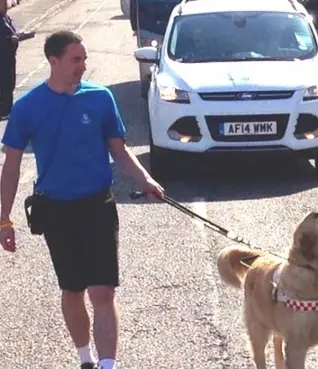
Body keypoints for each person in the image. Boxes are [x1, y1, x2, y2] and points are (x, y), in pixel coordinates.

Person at [0, 30, 164, 369]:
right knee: (72, 289)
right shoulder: (27, 107)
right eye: (75, 60)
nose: (82, 66)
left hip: (97, 206)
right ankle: (85, 358)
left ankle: (107, 365)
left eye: (85, 59)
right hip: (56, 210)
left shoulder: (100, 98)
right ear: (53, 61)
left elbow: (119, 151)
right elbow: (12, 167)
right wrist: (4, 219)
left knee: (103, 292)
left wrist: (145, 179)